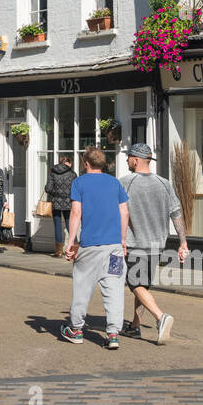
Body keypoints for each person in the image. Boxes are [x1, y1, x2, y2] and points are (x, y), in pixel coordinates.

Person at [61, 145, 130, 349]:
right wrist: (123, 239)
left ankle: (76, 329)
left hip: (90, 245)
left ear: (86, 163)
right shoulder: (115, 183)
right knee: (115, 290)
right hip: (114, 247)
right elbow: (124, 212)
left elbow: (75, 213)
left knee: (82, 287)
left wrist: (71, 241)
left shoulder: (79, 182)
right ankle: (113, 334)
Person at [118, 143, 187, 344]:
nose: (127, 160)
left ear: (136, 160)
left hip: (135, 243)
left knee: (135, 283)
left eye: (129, 157)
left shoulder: (125, 183)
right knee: (143, 285)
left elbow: (119, 213)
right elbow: (176, 214)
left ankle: (160, 317)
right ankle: (135, 326)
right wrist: (183, 243)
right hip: (157, 244)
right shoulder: (165, 184)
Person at [44, 154, 77, 258]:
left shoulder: (53, 172)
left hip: (56, 203)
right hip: (69, 202)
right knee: (70, 225)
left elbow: (48, 189)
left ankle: (58, 251)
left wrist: (57, 192)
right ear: (70, 164)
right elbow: (76, 189)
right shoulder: (72, 174)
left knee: (58, 226)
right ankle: (74, 249)